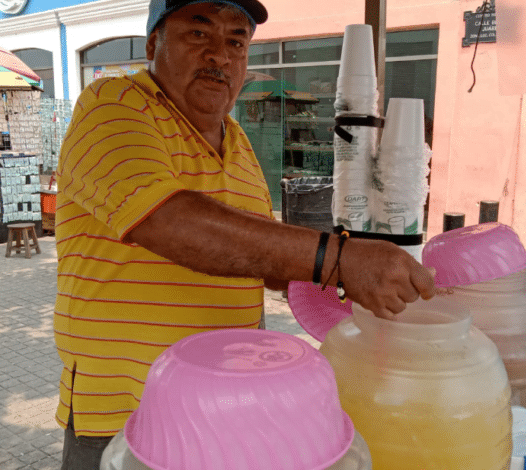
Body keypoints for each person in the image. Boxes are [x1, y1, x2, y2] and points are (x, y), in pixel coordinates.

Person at [53, 0, 436, 468]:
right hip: (127, 414)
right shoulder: (114, 105)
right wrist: (337, 259)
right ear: (153, 43)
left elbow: (254, 252)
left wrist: (342, 288)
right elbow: (170, 222)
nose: (220, 55)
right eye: (199, 34)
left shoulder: (235, 139)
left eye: (237, 40)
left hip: (226, 411)